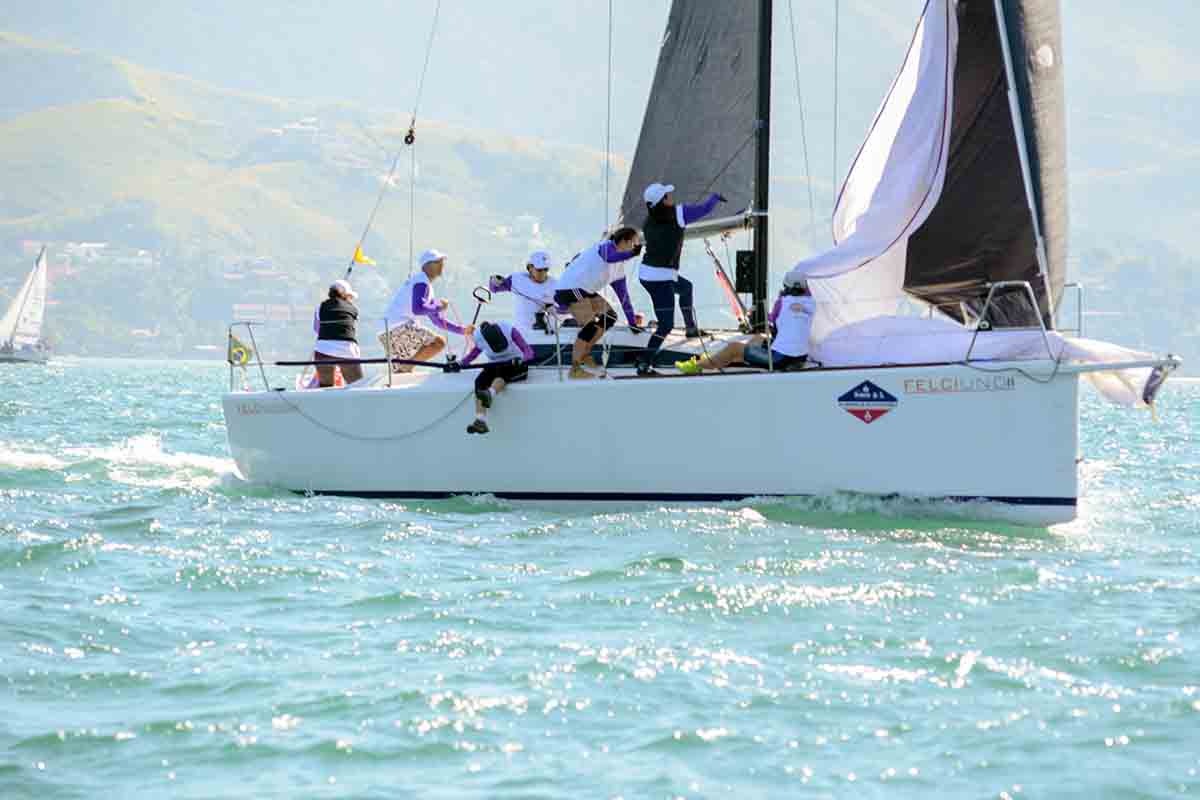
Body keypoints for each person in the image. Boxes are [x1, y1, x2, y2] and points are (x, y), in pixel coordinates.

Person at [636, 182, 726, 375]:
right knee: (666, 324)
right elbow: (704, 209)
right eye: (667, 195)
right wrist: (715, 197)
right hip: (660, 279)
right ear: (663, 201)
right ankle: (644, 362)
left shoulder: (648, 220)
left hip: (649, 273)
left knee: (685, 288)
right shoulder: (678, 214)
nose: (671, 196)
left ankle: (691, 329)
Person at [552, 227, 643, 379]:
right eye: (634, 244)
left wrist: (632, 322)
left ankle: (585, 354)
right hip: (570, 288)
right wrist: (632, 253)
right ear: (625, 242)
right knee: (589, 326)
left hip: (584, 290)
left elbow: (624, 298)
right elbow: (610, 257)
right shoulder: (606, 247)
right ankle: (575, 369)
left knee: (610, 317)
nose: (635, 247)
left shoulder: (618, 270)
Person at [675, 279, 815, 374]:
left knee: (734, 347)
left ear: (786, 287)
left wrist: (752, 313)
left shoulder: (782, 302)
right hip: (800, 357)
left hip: (780, 359)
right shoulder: (811, 303)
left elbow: (770, 320)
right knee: (759, 337)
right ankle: (722, 358)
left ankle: (697, 366)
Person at [380, 249, 475, 372]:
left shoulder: (423, 284)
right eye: (438, 262)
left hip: (387, 329)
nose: (442, 265)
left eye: (441, 262)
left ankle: (404, 369)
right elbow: (418, 309)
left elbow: (437, 321)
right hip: (397, 327)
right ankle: (406, 368)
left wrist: (463, 331)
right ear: (428, 266)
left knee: (399, 370)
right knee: (438, 343)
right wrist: (439, 306)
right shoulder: (421, 281)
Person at [462, 320, 535, 435]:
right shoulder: (479, 337)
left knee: (502, 374)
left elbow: (529, 351)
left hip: (515, 362)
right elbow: (474, 354)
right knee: (479, 382)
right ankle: (480, 420)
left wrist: (522, 359)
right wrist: (461, 363)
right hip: (495, 364)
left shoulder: (510, 330)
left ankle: (490, 393)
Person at [488, 250, 559, 337]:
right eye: (539, 270)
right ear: (530, 267)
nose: (543, 273)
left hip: (547, 336)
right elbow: (494, 289)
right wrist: (493, 281)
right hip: (523, 335)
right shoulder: (517, 279)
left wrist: (555, 308)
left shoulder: (555, 284)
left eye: (546, 269)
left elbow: (565, 308)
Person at [312, 279, 364, 387]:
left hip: (323, 350)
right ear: (345, 295)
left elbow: (316, 329)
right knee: (357, 386)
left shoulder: (320, 307)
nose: (351, 299)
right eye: (350, 296)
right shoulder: (353, 309)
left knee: (325, 387)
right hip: (347, 350)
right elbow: (350, 328)